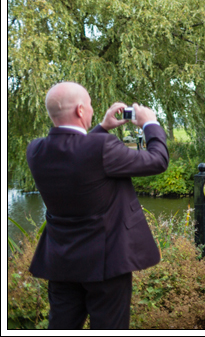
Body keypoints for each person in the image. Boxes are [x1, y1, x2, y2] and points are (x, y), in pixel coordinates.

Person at [26, 82, 169, 329]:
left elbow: (77, 151)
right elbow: (157, 160)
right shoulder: (102, 148)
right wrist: (150, 124)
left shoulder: (36, 149)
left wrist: (102, 127)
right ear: (81, 110)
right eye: (90, 105)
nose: (91, 110)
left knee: (61, 326)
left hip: (61, 261)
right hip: (106, 264)